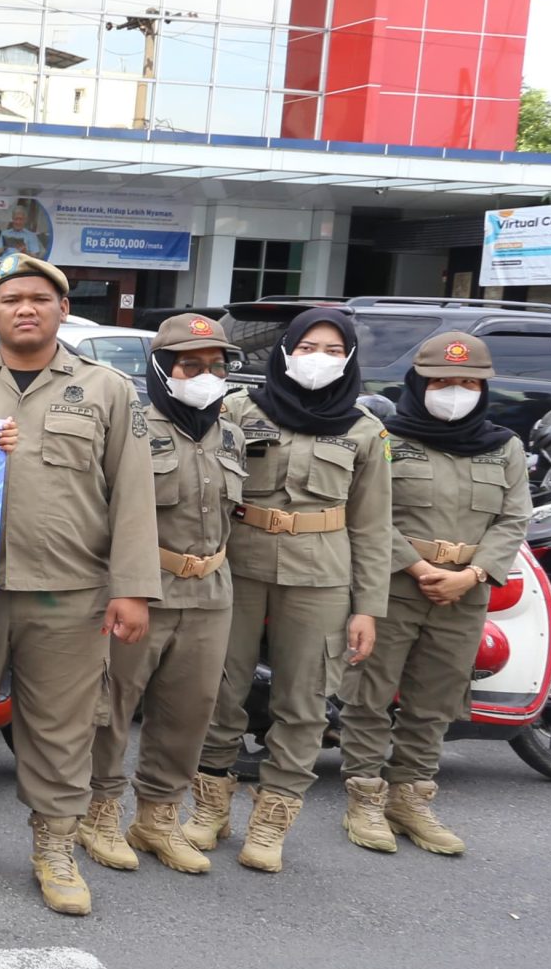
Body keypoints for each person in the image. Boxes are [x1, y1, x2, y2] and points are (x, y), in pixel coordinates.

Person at [0, 253, 157, 916]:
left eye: (40, 299)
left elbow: (132, 492)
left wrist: (131, 587)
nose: (26, 308)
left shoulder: (108, 390)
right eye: (12, 298)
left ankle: (54, 844)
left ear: (62, 311)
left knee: (61, 727)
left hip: (68, 591)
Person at [189, 307, 392, 873]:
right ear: (285, 352)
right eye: (308, 347)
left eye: (332, 350)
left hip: (321, 575)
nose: (318, 359)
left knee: (302, 701)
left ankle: (273, 817)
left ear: (349, 359)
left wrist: (368, 609)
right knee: (218, 688)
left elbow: (374, 526)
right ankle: (209, 805)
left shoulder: (365, 432)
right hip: (239, 564)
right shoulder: (237, 409)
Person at [333, 333, 528, 857]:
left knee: (435, 702)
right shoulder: (386, 437)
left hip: (465, 593)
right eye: (442, 381)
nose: (454, 391)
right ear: (419, 383)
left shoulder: (503, 446)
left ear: (484, 388)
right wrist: (417, 565)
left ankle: (410, 798)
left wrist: (474, 573)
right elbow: (367, 511)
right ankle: (365, 798)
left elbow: (514, 519)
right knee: (369, 694)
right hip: (394, 584)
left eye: (467, 382)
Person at [85, 313, 244, 877]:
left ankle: (157, 816)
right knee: (112, 707)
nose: (204, 375)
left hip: (211, 592)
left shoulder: (230, 431)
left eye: (215, 365)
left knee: (189, 711)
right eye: (190, 365)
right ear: (160, 367)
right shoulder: (129, 426)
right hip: (142, 588)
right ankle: (98, 812)